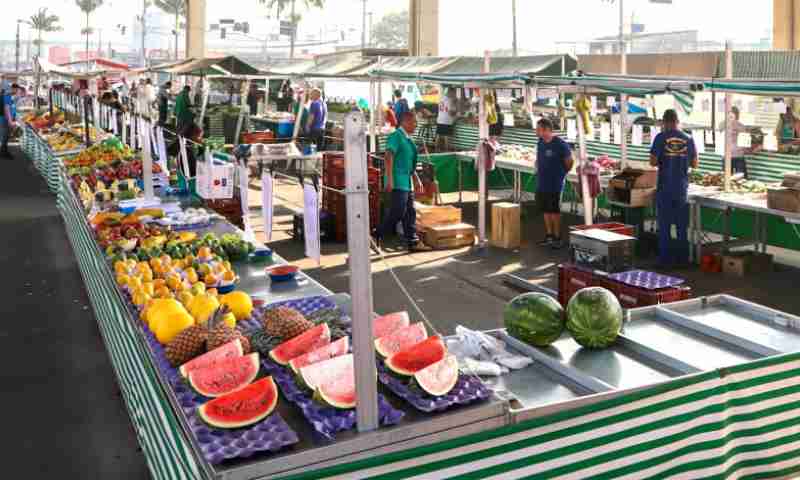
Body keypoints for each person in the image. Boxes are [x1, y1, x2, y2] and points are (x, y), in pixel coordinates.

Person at [650, 109, 698, 268]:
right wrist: (680, 159)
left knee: (664, 226)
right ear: (677, 121)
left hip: (665, 188)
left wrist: (667, 157)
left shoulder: (660, 138)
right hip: (681, 189)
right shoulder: (688, 138)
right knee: (681, 226)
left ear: (665, 121)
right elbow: (695, 164)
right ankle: (683, 260)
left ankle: (665, 261)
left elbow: (653, 162)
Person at [375, 111, 427, 252]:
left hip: (406, 181)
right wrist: (390, 179)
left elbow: (409, 164)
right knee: (397, 212)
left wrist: (416, 179)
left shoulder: (408, 140)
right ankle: (377, 234)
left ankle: (413, 241)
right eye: (414, 122)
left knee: (410, 212)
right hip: (397, 181)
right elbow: (388, 156)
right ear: (405, 121)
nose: (416, 125)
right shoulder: (396, 136)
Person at [535, 118, 574, 249]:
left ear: (546, 130)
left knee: (554, 211)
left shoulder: (560, 144)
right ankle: (549, 235)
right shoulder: (540, 142)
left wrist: (562, 173)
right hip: (542, 182)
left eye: (538, 129)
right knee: (545, 210)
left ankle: (558, 237)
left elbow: (569, 162)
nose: (536, 131)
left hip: (555, 183)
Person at [0, 82, 18, 158]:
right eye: (10, 88)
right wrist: (10, 121)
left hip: (3, 118)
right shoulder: (6, 96)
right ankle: (4, 153)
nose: (11, 89)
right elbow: (7, 108)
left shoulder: (4, 96)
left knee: (4, 136)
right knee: (5, 136)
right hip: (5, 119)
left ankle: (3, 151)